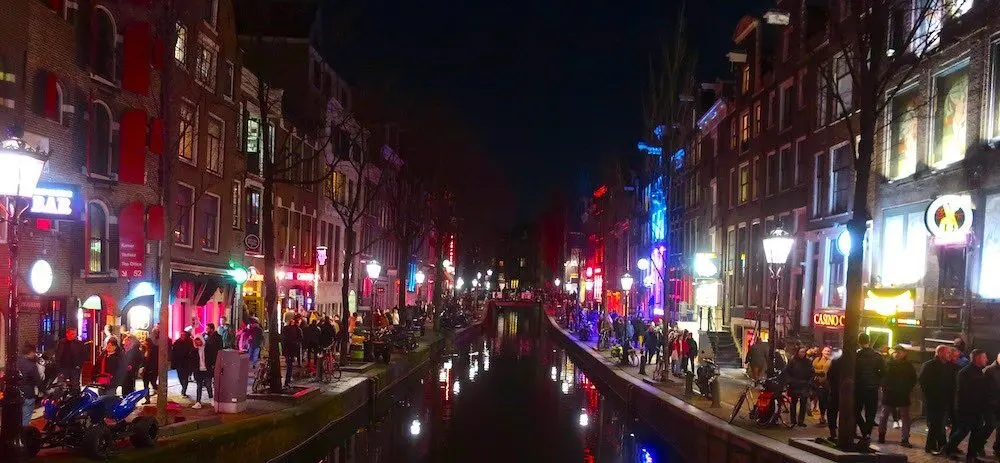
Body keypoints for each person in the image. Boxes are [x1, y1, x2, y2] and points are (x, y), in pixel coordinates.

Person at [941, 349, 991, 459]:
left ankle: (971, 457)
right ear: (977, 358)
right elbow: (962, 393)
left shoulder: (979, 371)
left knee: (976, 434)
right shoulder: (965, 372)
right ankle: (947, 449)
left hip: (978, 410)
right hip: (967, 409)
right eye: (984, 357)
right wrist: (962, 408)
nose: (986, 359)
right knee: (962, 432)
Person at [920, 344, 959, 454]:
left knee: (940, 424)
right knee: (935, 424)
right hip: (934, 401)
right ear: (941, 353)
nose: (949, 355)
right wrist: (931, 396)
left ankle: (942, 445)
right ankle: (930, 446)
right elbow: (923, 383)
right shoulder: (929, 365)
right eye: (947, 353)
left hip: (946, 400)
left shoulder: (949, 366)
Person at [877, 345, 917, 446]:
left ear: (904, 353)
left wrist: (907, 388)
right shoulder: (888, 363)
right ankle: (881, 435)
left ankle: (904, 438)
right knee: (884, 416)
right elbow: (882, 376)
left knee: (904, 417)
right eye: (895, 352)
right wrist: (885, 386)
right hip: (891, 393)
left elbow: (913, 379)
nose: (897, 354)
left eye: (899, 352)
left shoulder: (907, 365)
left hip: (901, 393)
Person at [854, 332, 884, 444]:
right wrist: (877, 381)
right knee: (871, 413)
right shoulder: (877, 356)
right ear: (869, 341)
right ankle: (867, 433)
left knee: (855, 410)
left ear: (858, 342)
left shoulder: (856, 356)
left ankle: (864, 431)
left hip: (859, 388)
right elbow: (883, 372)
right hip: (872, 388)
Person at [783, 346, 814, 427]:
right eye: (801, 352)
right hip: (794, 384)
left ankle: (801, 421)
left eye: (804, 352)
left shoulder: (808, 362)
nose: (802, 354)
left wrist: (809, 382)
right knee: (793, 403)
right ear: (798, 352)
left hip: (804, 384)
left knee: (803, 403)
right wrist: (790, 381)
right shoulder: (793, 361)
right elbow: (787, 372)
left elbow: (811, 373)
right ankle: (793, 420)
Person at [54, 327, 87, 392]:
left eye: (75, 334)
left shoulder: (79, 344)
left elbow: (84, 355)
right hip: (63, 367)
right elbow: (57, 353)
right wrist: (57, 364)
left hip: (75, 368)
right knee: (60, 385)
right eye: (72, 334)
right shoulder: (61, 343)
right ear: (67, 334)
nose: (74, 335)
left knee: (75, 385)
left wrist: (79, 365)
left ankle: (75, 397)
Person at [17, 343, 42, 425]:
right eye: (34, 352)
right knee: (26, 415)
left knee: (18, 415)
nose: (35, 354)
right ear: (30, 352)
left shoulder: (17, 362)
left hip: (18, 393)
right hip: (28, 393)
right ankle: (23, 433)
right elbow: (37, 380)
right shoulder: (32, 365)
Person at [982, 352, 1000, 457]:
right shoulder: (989, 370)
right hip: (990, 404)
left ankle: (997, 448)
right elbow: (981, 388)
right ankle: (978, 445)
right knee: (989, 426)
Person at [191, 336, 216, 409]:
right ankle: (198, 402)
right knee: (199, 387)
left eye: (198, 341)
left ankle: (211, 399)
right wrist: (193, 369)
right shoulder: (194, 350)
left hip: (207, 370)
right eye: (196, 342)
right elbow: (192, 360)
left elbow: (212, 357)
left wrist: (212, 365)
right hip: (198, 371)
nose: (197, 343)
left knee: (208, 385)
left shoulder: (208, 348)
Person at [171, 331, 196, 397]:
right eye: (181, 335)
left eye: (184, 335)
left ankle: (184, 390)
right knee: (180, 377)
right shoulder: (177, 342)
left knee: (185, 377)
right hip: (179, 363)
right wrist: (173, 363)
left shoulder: (190, 342)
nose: (182, 336)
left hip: (187, 363)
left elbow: (193, 353)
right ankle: (183, 387)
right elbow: (173, 353)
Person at [825, 350, 843, 440]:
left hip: (835, 390)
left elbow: (829, 375)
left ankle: (833, 432)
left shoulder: (836, 361)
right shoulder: (854, 362)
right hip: (847, 392)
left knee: (832, 412)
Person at [812, 346, 832, 425]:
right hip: (816, 383)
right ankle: (822, 416)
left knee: (824, 400)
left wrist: (817, 371)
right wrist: (819, 372)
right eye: (825, 350)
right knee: (820, 399)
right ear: (822, 351)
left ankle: (823, 416)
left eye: (828, 351)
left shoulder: (830, 361)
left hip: (826, 384)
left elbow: (825, 371)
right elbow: (812, 369)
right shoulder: (817, 359)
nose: (827, 352)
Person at [282, 318, 303, 388]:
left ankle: (287, 381)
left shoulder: (285, 329)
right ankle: (287, 381)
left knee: (289, 364)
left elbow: (282, 338)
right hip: (292, 349)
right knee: (290, 365)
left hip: (287, 349)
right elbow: (300, 338)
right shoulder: (297, 329)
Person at [140, 337, 159, 404]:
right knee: (145, 385)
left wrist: (152, 369)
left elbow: (155, 360)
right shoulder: (144, 349)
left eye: (144, 341)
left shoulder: (154, 349)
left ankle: (161, 395)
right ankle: (147, 399)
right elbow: (143, 360)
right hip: (146, 370)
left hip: (152, 370)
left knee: (153, 383)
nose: (143, 343)